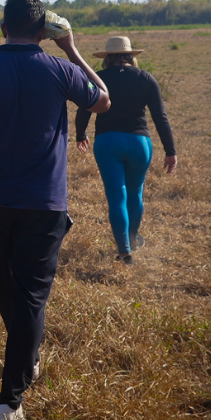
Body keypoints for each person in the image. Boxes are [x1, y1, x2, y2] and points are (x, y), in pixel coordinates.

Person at [0, 0, 111, 420]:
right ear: (42, 33)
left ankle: (25, 362)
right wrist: (71, 49)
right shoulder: (60, 69)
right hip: (43, 204)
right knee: (30, 298)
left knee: (9, 292)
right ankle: (10, 402)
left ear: (1, 30)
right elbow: (102, 100)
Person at [74, 36, 178, 264]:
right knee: (135, 193)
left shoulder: (98, 78)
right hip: (139, 143)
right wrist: (170, 150)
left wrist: (80, 134)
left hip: (108, 142)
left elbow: (85, 110)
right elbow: (160, 116)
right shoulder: (146, 78)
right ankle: (132, 239)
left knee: (116, 196)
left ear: (107, 58)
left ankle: (124, 252)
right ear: (131, 56)